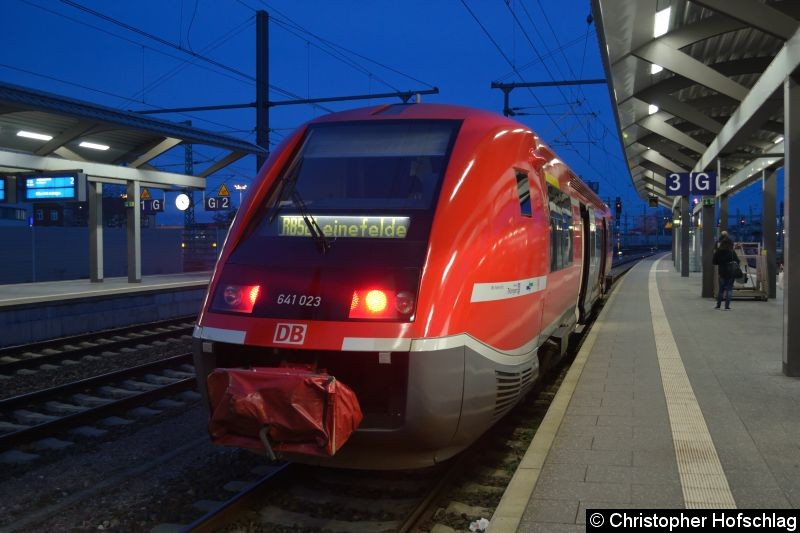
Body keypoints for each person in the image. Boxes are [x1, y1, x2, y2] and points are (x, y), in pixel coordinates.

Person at [712, 232, 739, 310]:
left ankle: (718, 306)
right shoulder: (732, 252)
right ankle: (727, 307)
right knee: (729, 289)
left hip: (722, 272)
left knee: (721, 290)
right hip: (731, 273)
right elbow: (737, 261)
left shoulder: (718, 252)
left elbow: (714, 262)